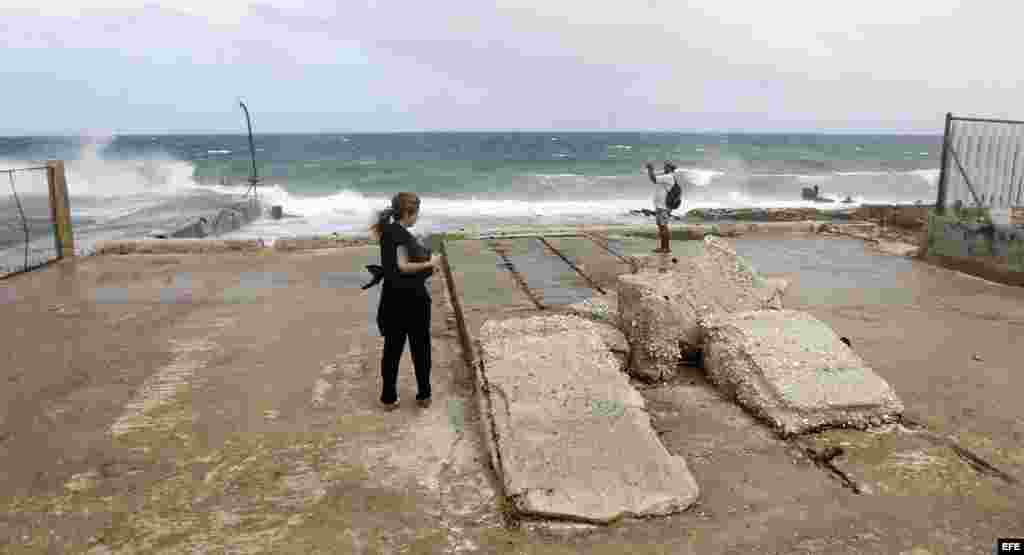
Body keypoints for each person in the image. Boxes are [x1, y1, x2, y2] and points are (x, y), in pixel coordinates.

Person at [368, 192, 442, 411]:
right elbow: (403, 266)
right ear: (409, 213)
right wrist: (431, 263)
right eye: (416, 213)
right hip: (413, 300)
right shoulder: (400, 234)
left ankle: (388, 398)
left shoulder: (387, 232)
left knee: (392, 349)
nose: (417, 217)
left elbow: (394, 265)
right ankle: (424, 395)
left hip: (392, 299)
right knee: (421, 348)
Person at [648, 161, 679, 253]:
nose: (664, 168)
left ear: (670, 168)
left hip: (663, 206)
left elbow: (653, 179)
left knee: (663, 226)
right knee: (662, 226)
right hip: (662, 206)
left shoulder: (668, 177)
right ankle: (663, 247)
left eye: (666, 167)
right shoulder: (668, 177)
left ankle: (666, 248)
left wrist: (650, 169)